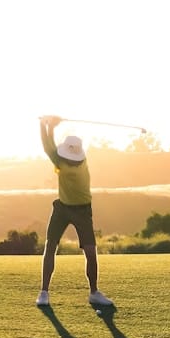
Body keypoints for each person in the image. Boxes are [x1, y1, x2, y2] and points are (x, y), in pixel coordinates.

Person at [35, 115, 114, 309]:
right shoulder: (74, 160)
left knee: (90, 252)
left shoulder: (63, 162)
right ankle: (44, 292)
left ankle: (94, 293)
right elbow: (48, 146)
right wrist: (48, 125)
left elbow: (47, 146)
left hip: (82, 211)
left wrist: (47, 125)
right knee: (51, 246)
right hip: (62, 208)